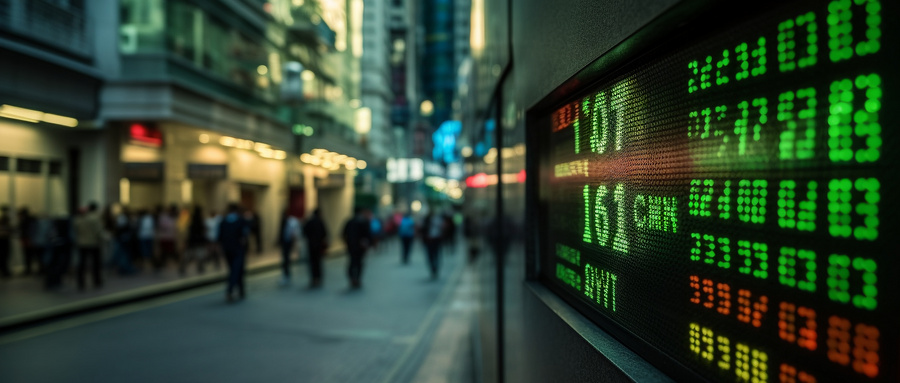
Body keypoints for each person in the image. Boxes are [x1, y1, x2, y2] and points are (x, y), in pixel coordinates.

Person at [218, 203, 250, 301]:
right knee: (237, 269)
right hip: (238, 249)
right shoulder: (241, 220)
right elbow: (245, 235)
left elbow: (219, 236)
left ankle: (240, 289)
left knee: (234, 269)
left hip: (227, 249)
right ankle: (230, 290)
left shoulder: (223, 221)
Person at [72, 203, 104, 290]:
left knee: (82, 264)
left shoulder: (77, 220)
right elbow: (98, 232)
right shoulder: (94, 219)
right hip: (93, 243)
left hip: (82, 244)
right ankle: (97, 281)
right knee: (95, 264)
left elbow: (75, 231)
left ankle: (81, 283)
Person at [342, 207, 372, 289]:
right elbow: (368, 235)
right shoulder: (364, 221)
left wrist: (347, 242)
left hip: (351, 246)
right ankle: (357, 279)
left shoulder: (349, 221)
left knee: (352, 262)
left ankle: (352, 278)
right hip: (360, 247)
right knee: (359, 263)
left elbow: (343, 234)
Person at [302, 209, 328, 287]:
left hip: (311, 245)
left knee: (312, 263)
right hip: (318, 246)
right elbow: (324, 233)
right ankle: (318, 278)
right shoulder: (320, 222)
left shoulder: (309, 222)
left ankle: (314, 278)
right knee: (318, 263)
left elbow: (304, 232)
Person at [278, 209, 301, 285]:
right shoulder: (286, 221)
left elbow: (294, 233)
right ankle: (286, 274)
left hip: (288, 242)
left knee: (286, 259)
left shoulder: (292, 221)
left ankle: (287, 275)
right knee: (285, 258)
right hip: (286, 242)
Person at [421, 211, 445, 279]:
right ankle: (433, 268)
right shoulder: (426, 220)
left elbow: (442, 228)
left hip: (436, 240)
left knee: (436, 255)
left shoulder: (438, 219)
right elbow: (422, 229)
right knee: (430, 255)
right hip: (429, 240)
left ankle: (435, 268)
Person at [183, 206, 207, 275]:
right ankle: (200, 267)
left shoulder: (193, 219)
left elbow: (189, 230)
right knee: (200, 255)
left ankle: (183, 267)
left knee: (189, 255)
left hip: (193, 240)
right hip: (198, 240)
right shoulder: (200, 220)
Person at [155, 205, 179, 271]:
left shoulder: (173, 218)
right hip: (164, 237)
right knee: (164, 251)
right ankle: (160, 264)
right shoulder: (163, 217)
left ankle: (166, 263)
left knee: (170, 251)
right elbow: (162, 227)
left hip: (170, 237)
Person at [0, 206, 11, 278]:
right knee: (4, 256)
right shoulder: (3, 220)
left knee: (4, 256)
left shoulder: (4, 219)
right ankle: (4, 271)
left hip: (4, 239)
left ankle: (4, 271)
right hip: (3, 240)